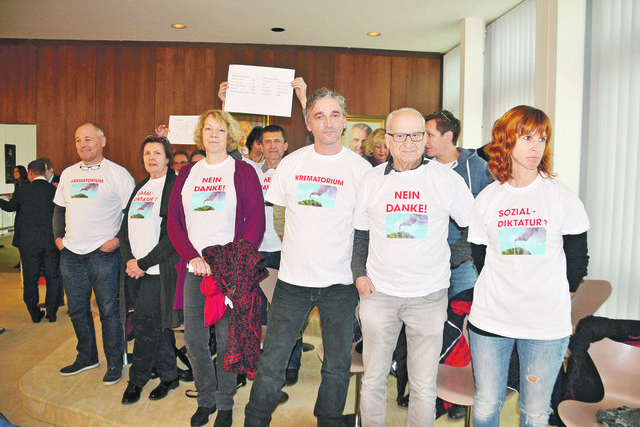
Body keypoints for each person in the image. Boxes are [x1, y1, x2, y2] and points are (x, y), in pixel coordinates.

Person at [244, 87, 372, 427]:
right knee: (271, 361)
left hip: (340, 285)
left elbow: (365, 229)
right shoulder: (291, 164)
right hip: (293, 283)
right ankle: (255, 420)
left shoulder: (361, 170)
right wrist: (294, 240)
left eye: (334, 115)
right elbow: (279, 212)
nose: (327, 122)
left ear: (344, 121)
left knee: (337, 366)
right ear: (308, 123)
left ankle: (328, 421)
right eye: (319, 116)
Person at [467, 105, 589, 427]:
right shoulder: (488, 199)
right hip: (491, 320)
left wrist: (555, 295)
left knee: (535, 413)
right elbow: (480, 256)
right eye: (528, 138)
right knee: (485, 406)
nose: (537, 147)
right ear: (506, 141)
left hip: (545, 326)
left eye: (543, 139)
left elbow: (577, 261)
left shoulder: (561, 197)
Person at [352, 107, 474, 426]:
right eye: (400, 135)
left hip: (429, 298)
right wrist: (359, 275)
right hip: (379, 295)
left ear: (425, 139)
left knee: (423, 387)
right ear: (388, 140)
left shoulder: (447, 180)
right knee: (374, 380)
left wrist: (450, 256)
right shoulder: (370, 180)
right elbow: (360, 234)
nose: (409, 142)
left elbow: (474, 227)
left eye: (416, 135)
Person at [167, 109, 264, 427]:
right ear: (201, 134)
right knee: (194, 340)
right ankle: (205, 399)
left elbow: (257, 224)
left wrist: (234, 261)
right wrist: (191, 256)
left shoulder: (243, 171)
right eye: (208, 129)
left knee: (226, 341)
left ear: (230, 135)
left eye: (220, 130)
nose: (213, 135)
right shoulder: (187, 173)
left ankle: (225, 404)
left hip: (229, 271)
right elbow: (174, 222)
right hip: (194, 270)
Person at [53, 123, 135, 385]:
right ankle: (86, 357)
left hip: (104, 254)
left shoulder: (118, 174)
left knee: (109, 310)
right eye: (78, 140)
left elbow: (132, 215)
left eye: (88, 139)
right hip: (71, 254)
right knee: (77, 309)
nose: (82, 144)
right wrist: (58, 240)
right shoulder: (67, 174)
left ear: (102, 141)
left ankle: (114, 363)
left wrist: (116, 241)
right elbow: (58, 210)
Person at [119, 136, 183, 405]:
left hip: (160, 271)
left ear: (168, 158)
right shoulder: (140, 186)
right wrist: (129, 261)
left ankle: (137, 379)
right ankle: (169, 375)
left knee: (145, 325)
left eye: (158, 152)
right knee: (156, 325)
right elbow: (125, 228)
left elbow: (173, 234)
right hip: (138, 269)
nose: (151, 157)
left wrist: (142, 263)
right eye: (147, 153)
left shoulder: (175, 185)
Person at [252, 124, 303, 386]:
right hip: (259, 250)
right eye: (267, 141)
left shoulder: (296, 171)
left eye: (277, 141)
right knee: (259, 309)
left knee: (288, 310)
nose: (272, 146)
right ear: (261, 146)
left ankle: (292, 362)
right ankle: (266, 361)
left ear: (286, 145)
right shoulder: (252, 173)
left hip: (287, 250)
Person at [424, 110, 492, 299]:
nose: (424, 141)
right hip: (428, 262)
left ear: (448, 136)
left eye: (429, 134)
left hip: (464, 262)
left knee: (464, 313)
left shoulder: (478, 168)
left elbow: (487, 215)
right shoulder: (422, 168)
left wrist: (463, 254)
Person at [0, 159, 62, 323]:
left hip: (28, 242)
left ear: (30, 173)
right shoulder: (55, 190)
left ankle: (34, 313)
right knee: (53, 276)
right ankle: (52, 312)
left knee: (30, 278)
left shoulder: (22, 191)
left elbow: (10, 207)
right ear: (45, 171)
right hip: (51, 240)